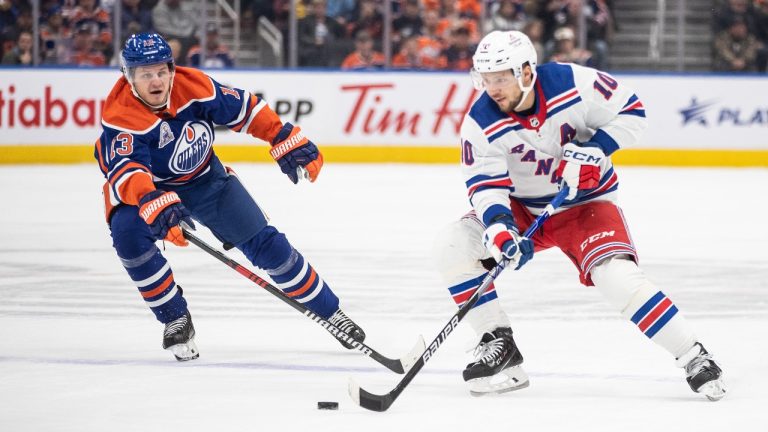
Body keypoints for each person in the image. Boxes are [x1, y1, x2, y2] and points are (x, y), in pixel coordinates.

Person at [433, 30, 726, 401]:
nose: (492, 88)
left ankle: (693, 355)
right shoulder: (480, 121)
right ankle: (500, 345)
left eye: (501, 77)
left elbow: (632, 112)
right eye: (485, 79)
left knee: (616, 277)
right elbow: (485, 184)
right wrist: (500, 229)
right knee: (452, 245)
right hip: (524, 209)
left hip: (588, 204)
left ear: (525, 72)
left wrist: (596, 149)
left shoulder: (572, 82)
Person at [94, 33, 366, 361]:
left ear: (171, 69)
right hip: (146, 188)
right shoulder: (120, 114)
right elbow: (127, 171)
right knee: (128, 235)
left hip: (205, 178)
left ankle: (330, 313)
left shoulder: (194, 86)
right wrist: (150, 199)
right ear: (129, 76)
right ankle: (174, 317)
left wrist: (280, 135)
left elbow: (244, 108)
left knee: (267, 244)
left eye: (161, 71)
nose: (156, 80)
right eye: (145, 74)